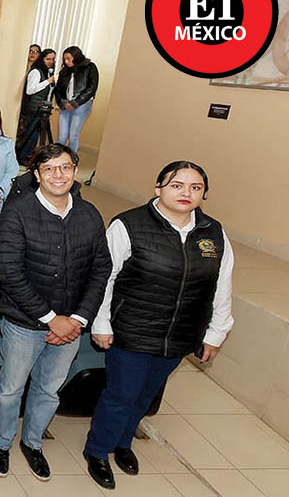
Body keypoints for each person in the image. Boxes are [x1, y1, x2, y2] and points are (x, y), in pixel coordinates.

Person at [82, 161, 234, 490]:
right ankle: (98, 450)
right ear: (159, 188)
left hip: (180, 334)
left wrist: (216, 333)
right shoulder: (129, 225)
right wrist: (101, 322)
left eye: (195, 187)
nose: (186, 193)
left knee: (145, 396)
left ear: (204, 194)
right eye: (177, 185)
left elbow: (222, 287)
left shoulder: (214, 233)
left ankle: (123, 443)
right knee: (121, 395)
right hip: (132, 330)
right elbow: (105, 278)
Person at [0, 143, 111, 481]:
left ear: (75, 171)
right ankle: (1, 442)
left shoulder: (89, 214)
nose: (59, 175)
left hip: (71, 324)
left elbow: (101, 269)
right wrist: (50, 319)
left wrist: (78, 319)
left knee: (48, 389)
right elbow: (9, 272)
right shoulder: (17, 212)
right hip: (24, 323)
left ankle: (33, 442)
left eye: (65, 167)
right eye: (50, 169)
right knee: (11, 388)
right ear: (37, 175)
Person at [53, 46, 99, 153]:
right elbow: (58, 89)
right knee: (62, 136)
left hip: (81, 105)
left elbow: (91, 88)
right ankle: (58, 157)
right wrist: (62, 102)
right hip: (65, 105)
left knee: (73, 135)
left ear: (76, 57)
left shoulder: (90, 67)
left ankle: (71, 158)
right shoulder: (64, 71)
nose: (66, 61)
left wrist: (76, 103)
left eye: (68, 58)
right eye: (64, 59)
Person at [18, 49, 57, 163]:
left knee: (35, 135)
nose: (50, 62)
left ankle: (28, 156)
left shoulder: (48, 72)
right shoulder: (36, 71)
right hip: (34, 108)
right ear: (42, 59)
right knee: (29, 134)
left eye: (53, 59)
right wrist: (47, 81)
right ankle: (22, 157)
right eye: (48, 59)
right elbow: (30, 90)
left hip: (43, 108)